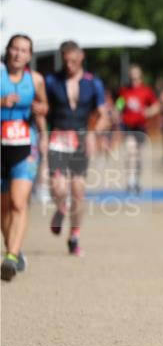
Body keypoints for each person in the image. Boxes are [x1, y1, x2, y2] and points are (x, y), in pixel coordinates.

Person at [45, 41, 111, 257]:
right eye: (65, 61)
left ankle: (74, 236)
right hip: (58, 136)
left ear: (81, 57)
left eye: (73, 61)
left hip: (81, 138)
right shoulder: (51, 81)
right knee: (59, 188)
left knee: (78, 190)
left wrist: (94, 134)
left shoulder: (93, 83)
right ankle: (61, 207)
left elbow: (103, 114)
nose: (69, 65)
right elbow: (43, 109)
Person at [1, 35, 48, 281]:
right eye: (15, 49)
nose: (18, 54)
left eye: (24, 50)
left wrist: (42, 111)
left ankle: (11, 256)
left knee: (19, 202)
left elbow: (44, 106)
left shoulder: (36, 79)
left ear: (29, 56)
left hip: (25, 145)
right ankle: (14, 250)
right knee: (4, 207)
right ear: (8, 51)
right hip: (1, 146)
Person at [117, 64, 160, 195]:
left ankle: (137, 181)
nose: (134, 81)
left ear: (140, 77)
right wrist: (116, 112)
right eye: (131, 78)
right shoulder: (124, 91)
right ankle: (130, 181)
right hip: (128, 126)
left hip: (140, 126)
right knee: (131, 152)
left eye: (136, 78)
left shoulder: (146, 91)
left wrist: (148, 112)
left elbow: (156, 106)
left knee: (138, 155)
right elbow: (119, 105)